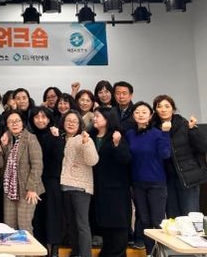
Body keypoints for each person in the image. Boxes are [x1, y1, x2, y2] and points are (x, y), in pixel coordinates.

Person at [125, 101, 171, 255]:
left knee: (158, 221)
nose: (140, 115)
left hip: (156, 183)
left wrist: (165, 133)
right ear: (133, 115)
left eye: (144, 112)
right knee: (144, 220)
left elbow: (165, 154)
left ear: (151, 116)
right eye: (137, 112)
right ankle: (149, 252)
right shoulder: (130, 134)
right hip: (137, 183)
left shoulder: (158, 133)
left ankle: (161, 253)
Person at [152, 94, 207, 217]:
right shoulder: (153, 128)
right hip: (167, 178)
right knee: (173, 217)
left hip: (187, 176)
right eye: (159, 106)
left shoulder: (183, 124)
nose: (163, 109)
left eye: (167, 106)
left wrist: (193, 129)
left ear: (173, 109)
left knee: (190, 216)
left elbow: (203, 147)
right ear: (155, 110)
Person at [91, 107, 131, 257]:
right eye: (94, 116)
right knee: (105, 225)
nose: (94, 119)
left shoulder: (117, 136)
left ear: (108, 119)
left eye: (98, 116)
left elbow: (125, 159)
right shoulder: (91, 136)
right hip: (98, 188)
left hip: (116, 189)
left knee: (118, 225)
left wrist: (116, 144)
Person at [60, 110, 99, 257]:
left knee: (82, 224)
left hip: (80, 187)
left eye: (74, 121)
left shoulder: (84, 138)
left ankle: (85, 254)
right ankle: (76, 253)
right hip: (65, 186)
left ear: (80, 124)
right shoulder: (61, 138)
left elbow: (93, 161)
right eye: (68, 120)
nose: (71, 123)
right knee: (71, 224)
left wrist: (86, 143)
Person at [1, 110, 44, 233]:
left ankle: (29, 247)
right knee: (9, 227)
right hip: (10, 189)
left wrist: (32, 188)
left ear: (22, 123)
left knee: (24, 226)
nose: (14, 124)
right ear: (7, 125)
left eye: (17, 121)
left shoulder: (30, 138)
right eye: (10, 122)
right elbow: (5, 164)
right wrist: (4, 146)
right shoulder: (9, 139)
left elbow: (37, 165)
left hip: (27, 190)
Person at [30, 106, 64, 257]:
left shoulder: (54, 134)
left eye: (44, 117)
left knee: (53, 215)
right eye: (37, 117)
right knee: (37, 217)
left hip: (51, 181)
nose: (40, 120)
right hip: (35, 182)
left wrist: (57, 139)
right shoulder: (29, 136)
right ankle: (41, 249)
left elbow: (59, 157)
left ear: (49, 119)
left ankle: (55, 249)